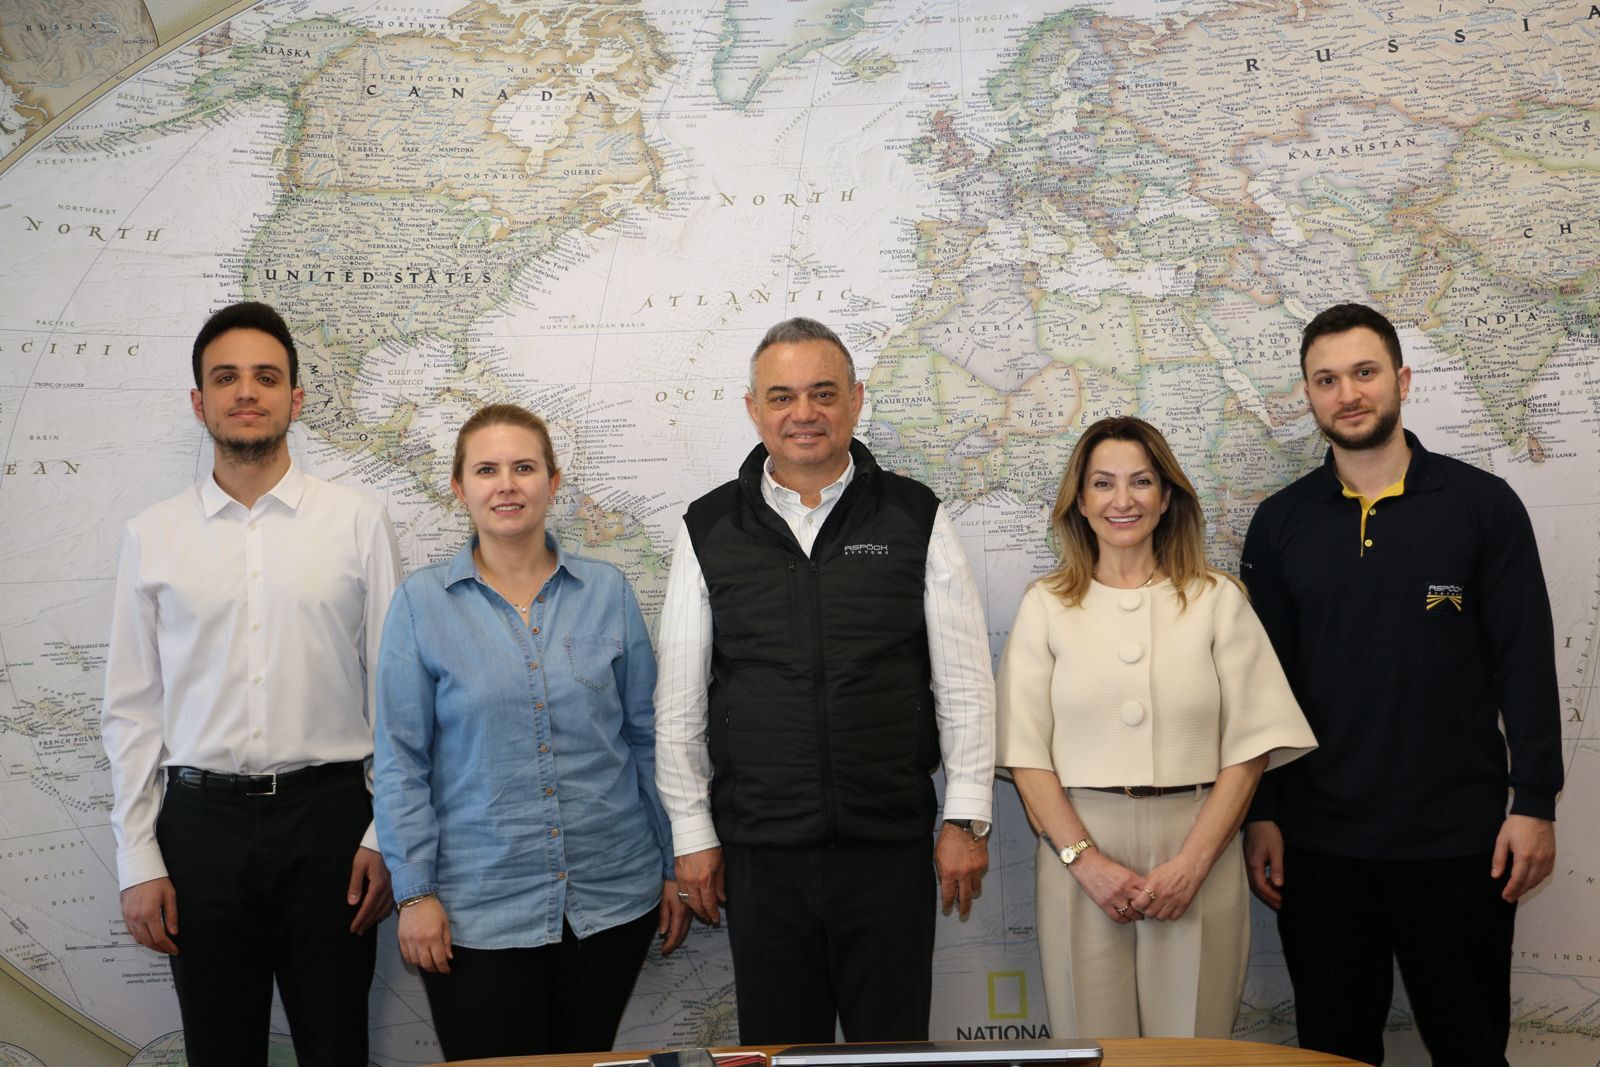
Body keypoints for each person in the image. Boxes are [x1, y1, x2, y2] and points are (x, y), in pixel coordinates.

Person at [654, 317, 996, 1044]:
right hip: (761, 856)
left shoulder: (915, 517)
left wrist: (965, 818)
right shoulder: (708, 528)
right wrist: (691, 833)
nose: (803, 413)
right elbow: (679, 703)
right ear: (753, 409)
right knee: (779, 1053)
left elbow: (964, 684)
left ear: (855, 400)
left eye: (823, 392)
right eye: (781, 396)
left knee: (892, 1055)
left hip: (887, 849)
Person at [1241, 303, 1563, 1066]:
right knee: (1334, 1054)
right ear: (1308, 395)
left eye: (1364, 372)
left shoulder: (1483, 505)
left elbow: (1525, 661)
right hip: (1320, 847)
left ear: (1402, 380)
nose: (1348, 393)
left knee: (1472, 1050)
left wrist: (1535, 803)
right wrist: (1262, 812)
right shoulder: (1279, 523)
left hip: (1460, 843)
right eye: (1326, 379)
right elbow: (1261, 685)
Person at [102, 301, 401, 1066]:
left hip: (332, 827)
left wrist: (383, 833)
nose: (246, 391)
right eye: (226, 377)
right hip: (199, 831)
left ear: (294, 399)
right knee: (219, 1051)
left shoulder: (358, 521)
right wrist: (139, 858)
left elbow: (396, 692)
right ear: (198, 400)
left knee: (335, 1049)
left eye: (266, 377)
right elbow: (133, 710)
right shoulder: (152, 535)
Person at [373, 403, 687, 1061]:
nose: (507, 484)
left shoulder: (607, 591)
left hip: (611, 898)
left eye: (524, 467)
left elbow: (645, 738)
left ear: (553, 481)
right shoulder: (421, 604)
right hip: (477, 910)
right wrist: (415, 893)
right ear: (459, 487)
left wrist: (670, 865)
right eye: (486, 470)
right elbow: (401, 760)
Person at [995, 416, 1315, 1039]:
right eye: (1103, 483)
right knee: (1093, 1050)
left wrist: (1193, 863)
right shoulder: (1045, 606)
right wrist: (1085, 861)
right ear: (1079, 501)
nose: (1123, 500)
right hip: (1078, 853)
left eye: (1141, 481)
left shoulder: (1219, 599)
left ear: (1167, 497)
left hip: (1199, 847)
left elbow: (1249, 751)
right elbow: (1026, 755)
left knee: (1191, 1048)